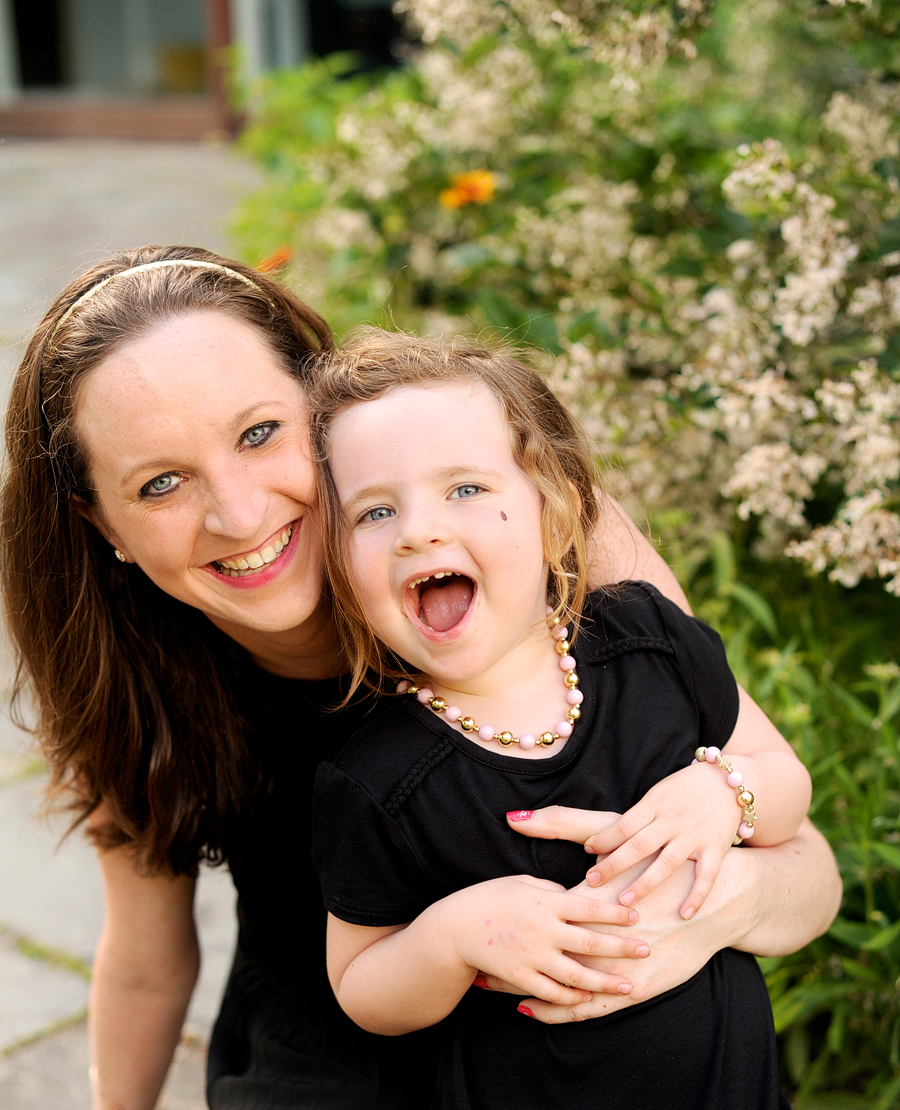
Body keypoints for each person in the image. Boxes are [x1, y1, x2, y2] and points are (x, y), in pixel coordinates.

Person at [0, 245, 840, 1110]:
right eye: (162, 483)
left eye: (260, 434)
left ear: (326, 405)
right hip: (331, 1063)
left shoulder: (532, 544)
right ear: (100, 523)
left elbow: (800, 859)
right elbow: (144, 968)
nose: (239, 514)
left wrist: (702, 914)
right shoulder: (135, 685)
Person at [308, 330, 812, 1108]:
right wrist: (449, 938)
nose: (418, 530)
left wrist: (724, 790)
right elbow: (360, 983)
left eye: (466, 490)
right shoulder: (379, 778)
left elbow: (788, 791)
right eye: (374, 511)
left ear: (555, 513)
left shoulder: (648, 648)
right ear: (341, 567)